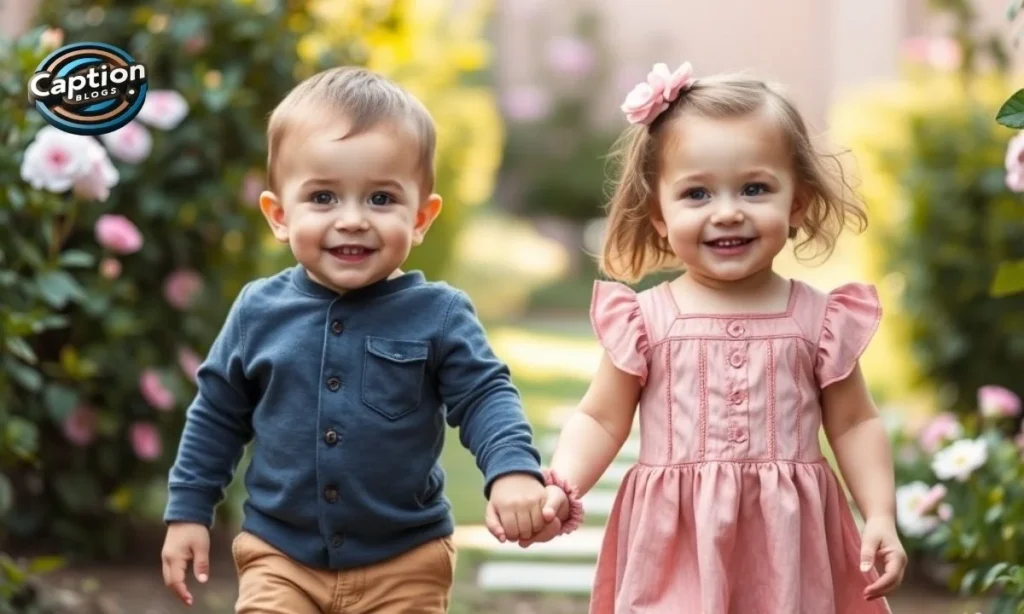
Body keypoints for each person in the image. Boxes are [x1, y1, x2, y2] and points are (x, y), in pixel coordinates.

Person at [159, 66, 565, 613]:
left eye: (380, 199)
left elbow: (485, 395)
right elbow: (216, 414)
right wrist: (189, 509)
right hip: (281, 556)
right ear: (280, 216)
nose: (352, 220)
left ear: (421, 217)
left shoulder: (438, 314)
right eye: (323, 198)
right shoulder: (259, 311)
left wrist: (514, 470)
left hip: (405, 560)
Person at [528, 62, 908, 613]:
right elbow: (600, 417)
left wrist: (878, 513)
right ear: (658, 213)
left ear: (796, 202)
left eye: (754, 189)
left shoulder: (818, 321)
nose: (727, 213)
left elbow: (854, 422)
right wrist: (563, 482)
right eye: (697, 194)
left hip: (788, 546)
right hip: (673, 541)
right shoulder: (645, 321)